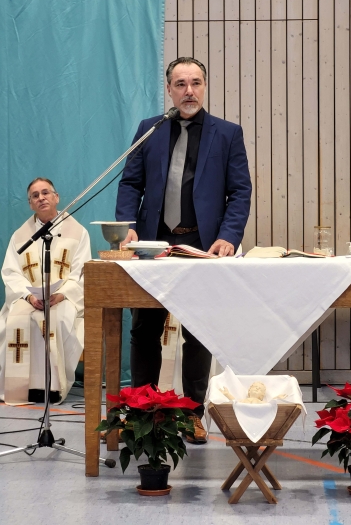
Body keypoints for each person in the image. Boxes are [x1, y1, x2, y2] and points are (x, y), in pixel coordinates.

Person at [116, 57, 252, 443]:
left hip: (201, 245)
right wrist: (128, 225)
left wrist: (229, 235)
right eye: (180, 84)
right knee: (144, 329)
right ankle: (141, 408)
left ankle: (193, 413)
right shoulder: (150, 130)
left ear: (205, 86)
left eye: (195, 83)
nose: (188, 91)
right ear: (169, 90)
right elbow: (130, 183)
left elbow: (240, 191)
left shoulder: (227, 134)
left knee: (199, 331)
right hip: (152, 244)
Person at [0, 178, 91, 405]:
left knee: (56, 321)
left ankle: (53, 388)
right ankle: (24, 389)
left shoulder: (78, 233)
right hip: (29, 298)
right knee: (12, 323)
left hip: (64, 298)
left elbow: (81, 272)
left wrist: (61, 294)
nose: (41, 198)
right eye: (35, 195)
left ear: (56, 197)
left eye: (45, 193)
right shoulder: (20, 237)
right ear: (30, 203)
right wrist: (29, 296)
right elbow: (11, 272)